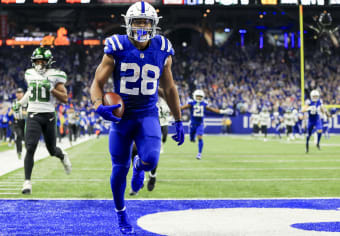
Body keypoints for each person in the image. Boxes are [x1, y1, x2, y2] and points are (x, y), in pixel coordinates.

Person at [90, 2, 185, 234]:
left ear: (154, 25)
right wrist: (97, 105)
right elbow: (97, 83)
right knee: (118, 169)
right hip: (122, 117)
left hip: (147, 114)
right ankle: (121, 214)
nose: (142, 26)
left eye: (146, 22)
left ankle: (139, 166)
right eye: (137, 21)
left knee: (151, 159)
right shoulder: (116, 46)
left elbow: (170, 88)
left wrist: (178, 119)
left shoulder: (162, 48)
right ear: (128, 23)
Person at [20, 47, 72, 195]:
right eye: (36, 61)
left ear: (48, 62)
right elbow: (31, 91)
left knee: (52, 150)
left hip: (48, 115)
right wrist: (21, 103)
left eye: (42, 61)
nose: (39, 64)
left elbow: (64, 98)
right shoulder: (29, 73)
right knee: (30, 147)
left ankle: (62, 155)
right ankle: (27, 182)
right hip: (33, 114)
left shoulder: (56, 75)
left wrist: (51, 89)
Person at [181, 89, 232, 160]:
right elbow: (182, 107)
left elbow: (212, 109)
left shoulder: (204, 104)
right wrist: (174, 109)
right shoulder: (191, 103)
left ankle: (199, 154)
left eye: (200, 97)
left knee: (200, 137)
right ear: (194, 96)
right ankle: (192, 138)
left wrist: (223, 111)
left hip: (200, 124)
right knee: (191, 138)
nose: (199, 98)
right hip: (192, 124)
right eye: (197, 96)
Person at [11, 88, 27, 159]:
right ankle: (19, 152)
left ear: (23, 94)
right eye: (18, 93)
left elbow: (27, 112)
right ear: (16, 94)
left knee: (26, 137)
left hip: (24, 121)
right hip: (16, 121)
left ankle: (29, 151)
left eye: (20, 92)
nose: (19, 94)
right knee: (18, 135)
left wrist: (25, 112)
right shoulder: (14, 101)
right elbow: (11, 111)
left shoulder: (26, 102)